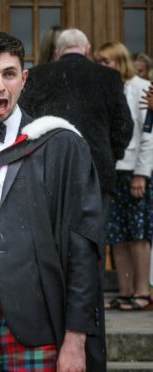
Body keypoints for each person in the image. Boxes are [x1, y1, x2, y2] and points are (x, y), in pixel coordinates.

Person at [0, 31, 105, 371]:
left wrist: (76, 339)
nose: (0, 86)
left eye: (9, 74)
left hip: (34, 319)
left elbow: (83, 247)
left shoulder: (60, 146)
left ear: (25, 78)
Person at [20, 28, 133, 215]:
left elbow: (25, 122)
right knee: (92, 239)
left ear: (57, 53)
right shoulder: (108, 77)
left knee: (51, 239)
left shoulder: (36, 75)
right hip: (97, 170)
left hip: (49, 169)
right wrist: (111, 155)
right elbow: (123, 127)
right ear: (87, 50)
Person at [95, 42, 153, 311]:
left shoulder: (141, 87)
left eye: (108, 62)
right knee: (116, 234)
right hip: (112, 169)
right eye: (100, 62)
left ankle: (142, 291)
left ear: (121, 61)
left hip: (134, 171)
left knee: (137, 234)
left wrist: (141, 173)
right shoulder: (106, 89)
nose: (103, 67)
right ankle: (126, 290)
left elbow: (149, 135)